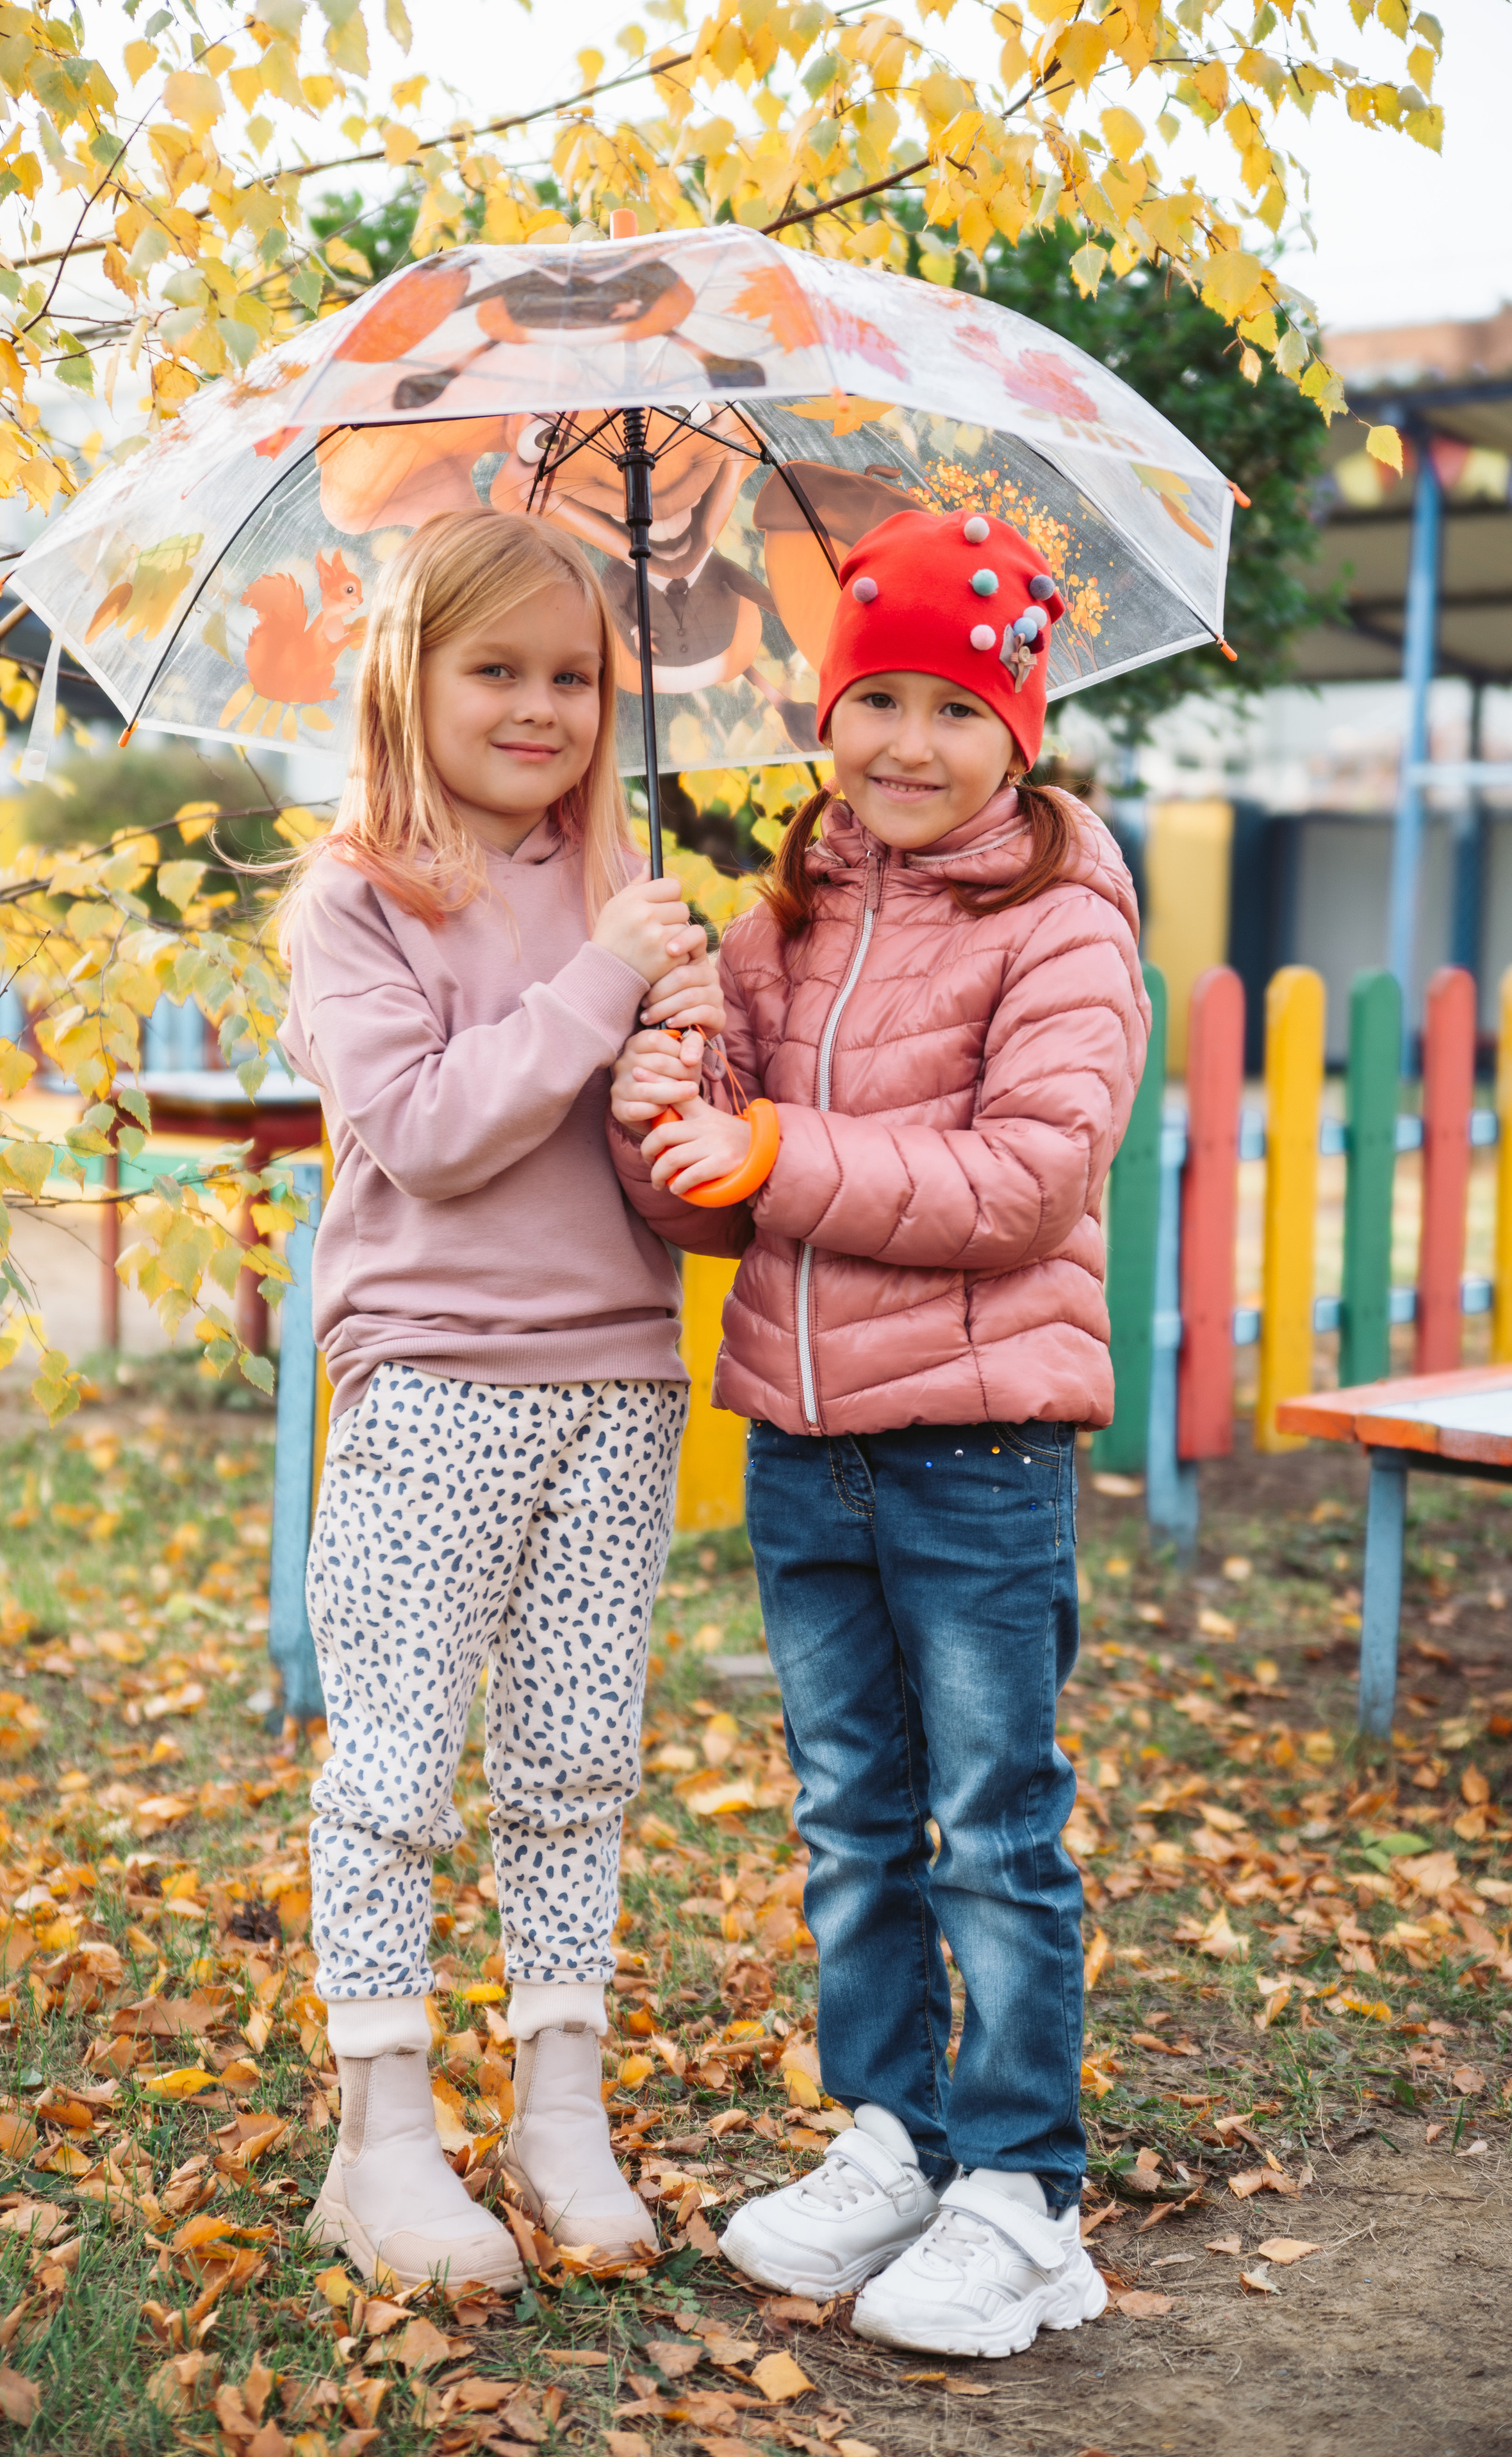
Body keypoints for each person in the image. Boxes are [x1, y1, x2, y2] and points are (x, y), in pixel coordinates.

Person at [608, 505, 1150, 2358]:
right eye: (875, 700)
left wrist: (782, 1153)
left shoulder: (1068, 921)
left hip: (977, 1447)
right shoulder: (785, 916)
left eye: (952, 706)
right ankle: (896, 2133)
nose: (907, 742)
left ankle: (1024, 2186)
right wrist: (669, 1073)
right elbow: (710, 1197)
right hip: (800, 1441)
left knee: (990, 1821)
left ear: (1024, 725)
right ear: (829, 711)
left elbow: (1021, 1179)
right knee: (852, 1817)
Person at [277, 506, 723, 2290]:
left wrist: (683, 1071)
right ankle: (381, 2133)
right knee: (395, 1766)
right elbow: (437, 1135)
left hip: (617, 1379)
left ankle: (559, 2107)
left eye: (572, 675)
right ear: (411, 674)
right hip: (434, 1381)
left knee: (573, 1761)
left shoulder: (614, 877)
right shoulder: (356, 896)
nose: (540, 707)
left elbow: (673, 1193)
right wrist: (604, 981)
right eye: (498, 669)